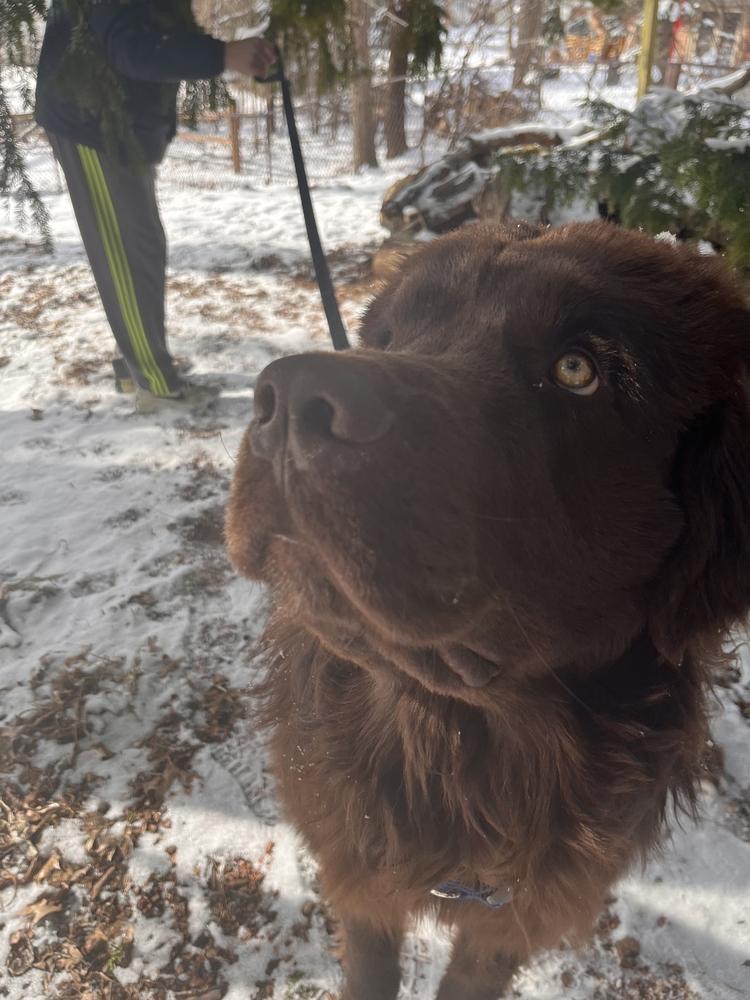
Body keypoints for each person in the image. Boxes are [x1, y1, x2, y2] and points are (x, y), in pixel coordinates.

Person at [35, 1, 276, 412]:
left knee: (140, 247)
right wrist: (222, 54)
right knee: (127, 252)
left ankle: (134, 367)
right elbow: (131, 48)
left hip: (116, 123)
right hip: (92, 123)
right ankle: (155, 385)